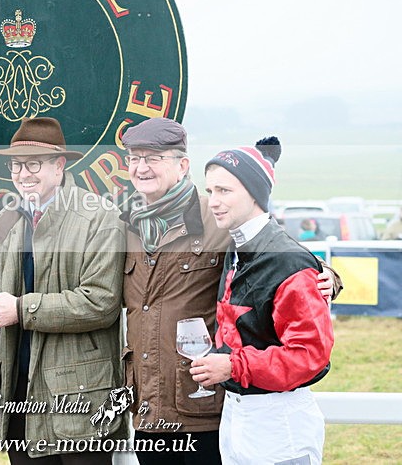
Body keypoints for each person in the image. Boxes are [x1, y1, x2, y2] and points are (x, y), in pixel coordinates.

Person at [118, 118, 341, 465]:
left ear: (182, 165)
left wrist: (325, 275)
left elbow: (282, 255)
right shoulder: (125, 225)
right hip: (148, 406)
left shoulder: (218, 219)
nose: (141, 167)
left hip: (203, 407)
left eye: (154, 158)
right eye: (134, 158)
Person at [0, 116, 126, 464]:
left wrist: (22, 310)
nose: (23, 174)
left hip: (79, 398)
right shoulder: (11, 219)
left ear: (59, 165)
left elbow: (102, 302)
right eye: (16, 165)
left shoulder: (99, 217)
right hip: (20, 391)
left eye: (33, 164)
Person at [191, 137, 334, 465]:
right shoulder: (237, 245)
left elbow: (309, 356)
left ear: (255, 194)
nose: (213, 201)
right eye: (210, 191)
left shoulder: (287, 260)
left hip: (279, 423)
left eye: (224, 191)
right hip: (236, 416)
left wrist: (232, 365)